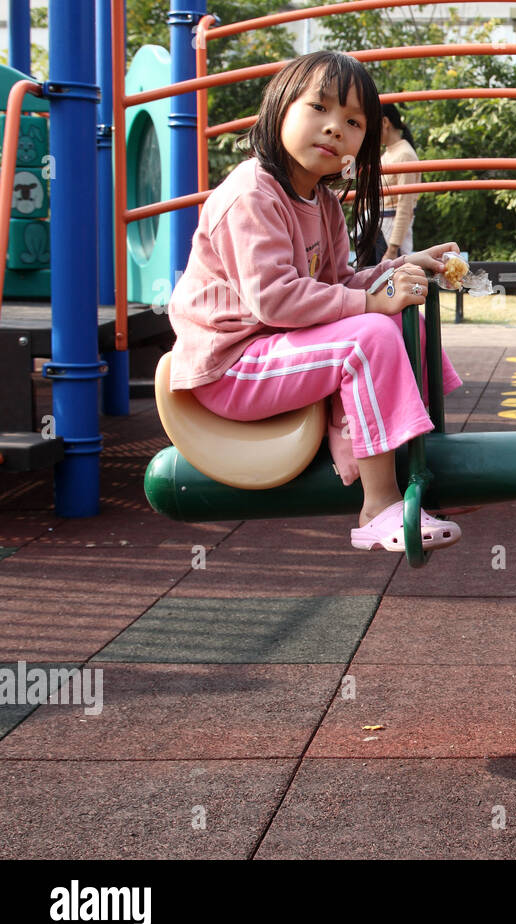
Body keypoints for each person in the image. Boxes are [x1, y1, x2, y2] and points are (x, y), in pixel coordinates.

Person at [167, 50, 464, 554]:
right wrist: (373, 303)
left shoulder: (322, 202)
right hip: (232, 365)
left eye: (352, 122)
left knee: (401, 324)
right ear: (279, 109)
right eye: (318, 109)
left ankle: (424, 451)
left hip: (280, 352)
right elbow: (277, 301)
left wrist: (399, 270)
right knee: (368, 335)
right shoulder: (251, 195)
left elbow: (340, 284)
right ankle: (378, 504)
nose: (334, 129)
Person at [376, 102, 421, 263]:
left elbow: (405, 204)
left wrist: (393, 248)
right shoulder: (388, 154)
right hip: (380, 227)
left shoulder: (404, 155)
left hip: (391, 235)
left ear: (385, 122)